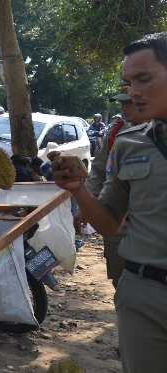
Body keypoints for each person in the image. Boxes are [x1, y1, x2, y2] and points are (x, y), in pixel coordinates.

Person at [48, 32, 167, 373]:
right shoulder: (129, 143)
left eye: (144, 80)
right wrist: (78, 190)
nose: (133, 93)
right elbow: (109, 223)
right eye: (129, 83)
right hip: (144, 296)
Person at [81, 85, 148, 287]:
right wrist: (87, 204)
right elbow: (100, 170)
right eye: (122, 102)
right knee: (121, 280)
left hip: (152, 222)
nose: (124, 107)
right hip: (119, 221)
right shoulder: (117, 134)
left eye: (129, 102)